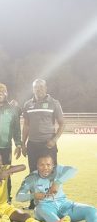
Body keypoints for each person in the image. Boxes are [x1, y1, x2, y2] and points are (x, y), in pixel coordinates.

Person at [0, 152, 70, 222]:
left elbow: (23, 166)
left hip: (5, 206)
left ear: (1, 162)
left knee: (25, 216)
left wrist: (7, 172)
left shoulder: (4, 169)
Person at [16, 155, 96, 222]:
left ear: (53, 165)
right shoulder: (32, 178)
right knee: (41, 208)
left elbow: (74, 169)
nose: (45, 168)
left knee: (91, 210)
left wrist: (57, 182)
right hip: (45, 208)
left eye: (48, 165)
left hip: (63, 204)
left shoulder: (57, 169)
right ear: (37, 166)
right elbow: (18, 197)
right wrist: (33, 195)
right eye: (42, 165)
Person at [22, 79, 65, 209]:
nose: (38, 89)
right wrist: (23, 143)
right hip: (33, 145)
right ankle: (34, 202)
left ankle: (52, 201)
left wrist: (54, 139)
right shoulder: (28, 104)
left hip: (48, 145)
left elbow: (62, 123)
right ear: (33, 89)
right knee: (33, 173)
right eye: (36, 87)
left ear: (46, 88)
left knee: (50, 173)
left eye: (41, 87)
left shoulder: (54, 103)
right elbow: (26, 125)